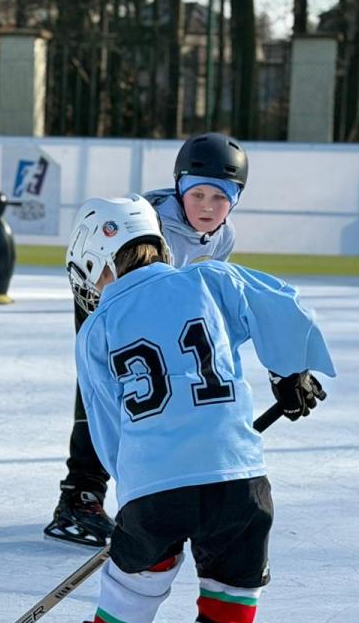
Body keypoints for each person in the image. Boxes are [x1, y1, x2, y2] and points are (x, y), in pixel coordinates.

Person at [64, 194, 334, 623]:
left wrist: (133, 484)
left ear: (98, 261)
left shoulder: (96, 329)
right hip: (237, 475)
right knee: (234, 578)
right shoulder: (212, 280)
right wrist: (290, 371)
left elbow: (104, 423)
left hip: (153, 489)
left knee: (133, 583)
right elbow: (283, 307)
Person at [44, 132, 249, 548]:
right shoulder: (153, 222)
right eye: (198, 195)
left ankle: (161, 488)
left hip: (154, 309)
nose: (208, 207)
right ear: (179, 188)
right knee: (103, 391)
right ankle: (79, 497)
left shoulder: (224, 237)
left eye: (220, 197)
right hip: (105, 293)